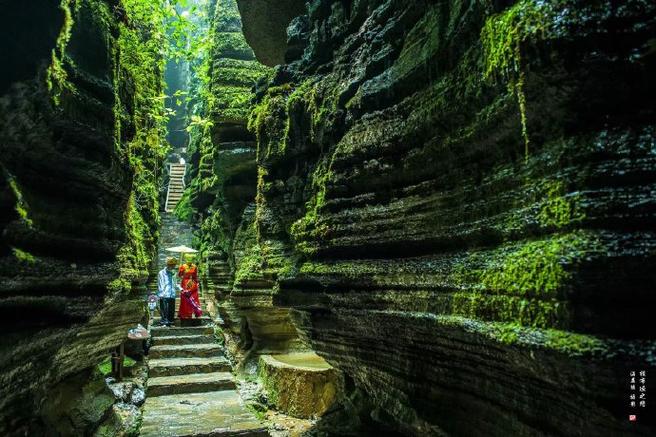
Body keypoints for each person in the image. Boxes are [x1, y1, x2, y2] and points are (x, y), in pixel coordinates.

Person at [178, 254, 202, 319]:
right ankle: (185, 313)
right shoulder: (183, 266)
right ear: (186, 259)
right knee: (185, 298)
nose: (189, 260)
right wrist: (180, 269)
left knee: (194, 297)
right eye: (188, 259)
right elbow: (179, 275)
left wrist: (197, 283)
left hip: (191, 282)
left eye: (191, 259)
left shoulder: (194, 266)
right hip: (184, 282)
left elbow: (195, 276)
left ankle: (195, 312)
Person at [157, 257, 179, 326]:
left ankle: (170, 322)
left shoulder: (173, 273)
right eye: (171, 264)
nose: (173, 266)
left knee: (171, 309)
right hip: (164, 294)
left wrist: (181, 289)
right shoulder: (161, 273)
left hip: (172, 293)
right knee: (164, 309)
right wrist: (161, 293)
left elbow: (175, 284)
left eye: (174, 265)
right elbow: (160, 284)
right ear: (168, 264)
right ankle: (164, 321)